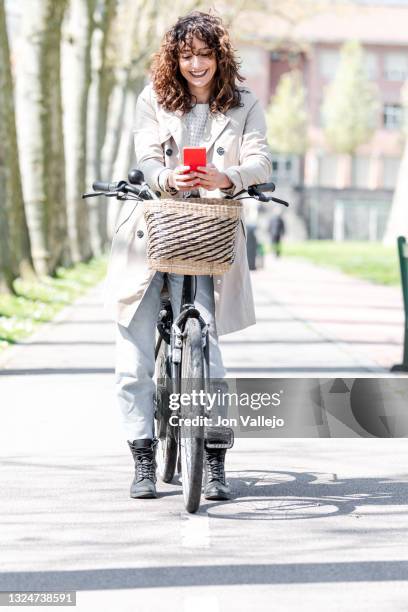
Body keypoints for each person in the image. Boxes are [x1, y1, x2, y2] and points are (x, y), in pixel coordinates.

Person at [103, 10, 272, 500]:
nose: (195, 64)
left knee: (209, 344)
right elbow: (147, 155)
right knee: (133, 351)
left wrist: (229, 177)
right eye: (186, 55)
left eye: (204, 54)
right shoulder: (154, 97)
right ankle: (141, 456)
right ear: (173, 59)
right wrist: (164, 178)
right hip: (152, 231)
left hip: (210, 234)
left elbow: (260, 159)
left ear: (220, 57)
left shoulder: (244, 103)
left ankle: (214, 460)